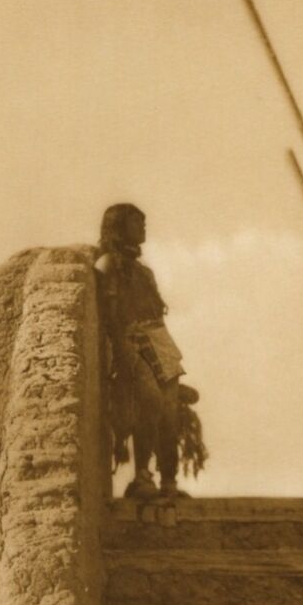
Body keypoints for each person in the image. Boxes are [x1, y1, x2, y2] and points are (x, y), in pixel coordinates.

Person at [95, 203, 194, 500]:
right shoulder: (108, 264)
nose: (143, 228)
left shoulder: (144, 273)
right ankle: (141, 477)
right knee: (149, 401)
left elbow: (157, 315)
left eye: (143, 223)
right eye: (136, 223)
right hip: (129, 341)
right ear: (119, 227)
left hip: (159, 342)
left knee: (169, 410)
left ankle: (169, 482)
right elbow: (109, 315)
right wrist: (122, 350)